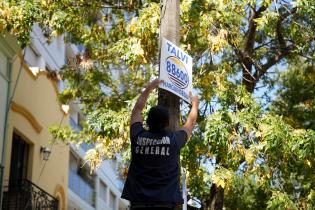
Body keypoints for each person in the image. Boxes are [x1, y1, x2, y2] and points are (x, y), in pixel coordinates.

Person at [121, 79, 199, 210]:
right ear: (167, 124)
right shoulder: (174, 141)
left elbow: (136, 111)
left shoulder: (137, 137)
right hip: (164, 206)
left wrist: (149, 88)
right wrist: (195, 105)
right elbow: (189, 124)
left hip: (138, 205)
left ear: (146, 121)